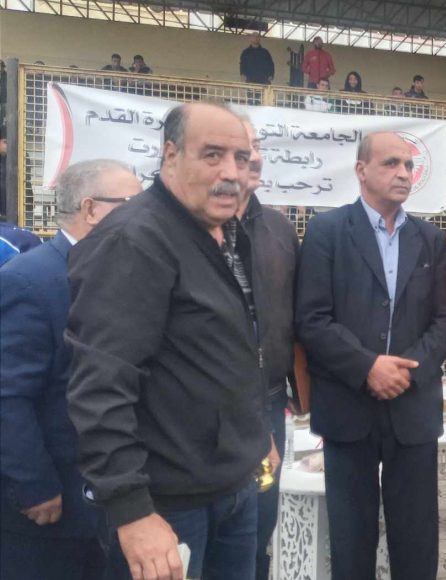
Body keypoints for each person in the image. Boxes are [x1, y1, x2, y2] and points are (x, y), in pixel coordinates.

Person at [67, 102, 269, 580]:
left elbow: (219, 356)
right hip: (167, 507)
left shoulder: (222, 233)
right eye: (213, 155)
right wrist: (132, 511)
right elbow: (100, 386)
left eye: (241, 158)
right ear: (170, 155)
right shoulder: (135, 241)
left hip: (232, 488)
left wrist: (255, 438)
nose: (231, 172)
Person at [294, 132, 446, 579]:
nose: (404, 173)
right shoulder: (327, 232)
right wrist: (367, 366)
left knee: (416, 539)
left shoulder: (429, 238)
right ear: (361, 170)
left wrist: (408, 370)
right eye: (391, 163)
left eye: (408, 165)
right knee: (351, 541)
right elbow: (311, 319)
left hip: (412, 406)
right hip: (348, 406)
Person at [1, 160, 140, 580]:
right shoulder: (29, 280)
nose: (145, 218)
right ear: (90, 209)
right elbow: (8, 396)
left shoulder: (131, 275)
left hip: (117, 500)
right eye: (132, 205)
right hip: (53, 510)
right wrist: (34, 485)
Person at [236, 118, 299, 580]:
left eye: (256, 146)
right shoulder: (177, 231)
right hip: (205, 411)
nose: (255, 156)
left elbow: (297, 317)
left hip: (270, 401)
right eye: (242, 148)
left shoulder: (278, 229)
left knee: (259, 528)